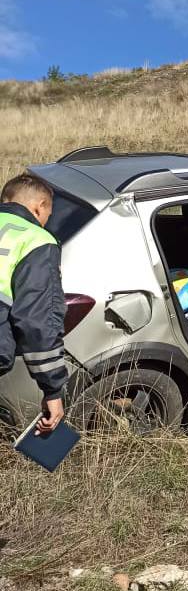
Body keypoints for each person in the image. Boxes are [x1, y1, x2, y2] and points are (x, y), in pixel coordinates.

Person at [0, 174, 68, 433]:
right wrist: (52, 390)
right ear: (40, 206)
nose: (44, 223)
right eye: (47, 217)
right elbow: (36, 320)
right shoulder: (37, 240)